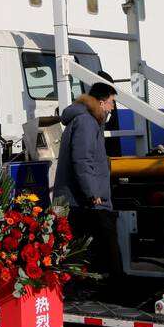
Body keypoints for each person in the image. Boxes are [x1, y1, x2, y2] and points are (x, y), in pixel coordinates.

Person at [53, 81, 123, 300]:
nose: (112, 107)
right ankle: (117, 288)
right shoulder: (86, 122)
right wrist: (93, 193)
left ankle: (76, 290)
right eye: (112, 102)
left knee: (78, 245)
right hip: (87, 198)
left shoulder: (86, 120)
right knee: (106, 240)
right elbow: (82, 161)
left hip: (78, 197)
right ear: (101, 102)